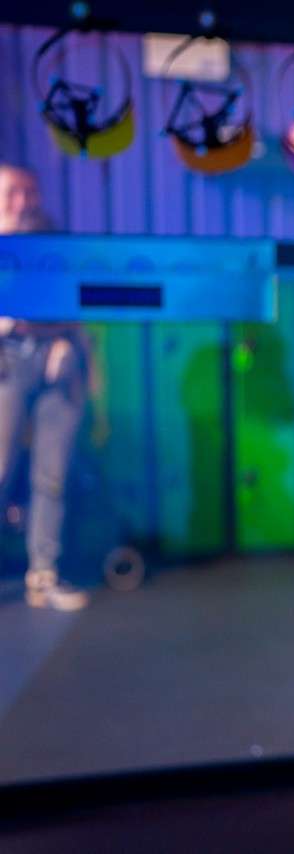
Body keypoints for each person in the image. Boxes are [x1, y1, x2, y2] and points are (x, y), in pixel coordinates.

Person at [0, 162, 90, 611]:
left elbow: (75, 294)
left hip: (57, 359)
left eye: (29, 192)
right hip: (6, 360)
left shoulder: (51, 242)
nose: (23, 201)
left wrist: (65, 339)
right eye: (13, 192)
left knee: (51, 474)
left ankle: (44, 575)